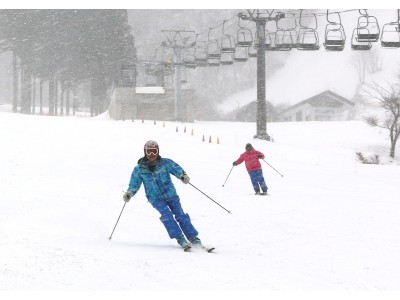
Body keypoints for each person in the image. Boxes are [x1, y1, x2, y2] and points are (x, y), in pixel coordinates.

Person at [122, 140, 202, 250]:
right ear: (145, 152)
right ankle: (180, 238)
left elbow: (176, 168)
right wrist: (130, 193)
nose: (151, 155)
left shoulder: (165, 163)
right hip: (155, 198)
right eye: (149, 152)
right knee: (167, 216)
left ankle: (193, 238)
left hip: (171, 195)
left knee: (180, 215)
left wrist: (182, 175)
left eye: (154, 151)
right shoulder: (139, 169)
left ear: (158, 151)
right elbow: (134, 183)